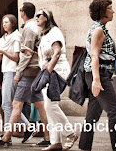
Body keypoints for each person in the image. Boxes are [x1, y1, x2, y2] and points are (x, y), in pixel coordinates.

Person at [0, 2, 50, 147]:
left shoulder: (28, 29)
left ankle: (6, 137)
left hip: (28, 71)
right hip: (33, 71)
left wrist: (18, 73)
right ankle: (49, 136)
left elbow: (24, 55)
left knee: (15, 104)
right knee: (40, 105)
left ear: (22, 12)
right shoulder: (32, 28)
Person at [79, 0, 116, 151]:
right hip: (99, 74)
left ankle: (84, 147)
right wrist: (97, 81)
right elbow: (94, 56)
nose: (113, 11)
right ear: (102, 11)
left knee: (93, 113)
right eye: (110, 8)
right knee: (114, 110)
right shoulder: (98, 30)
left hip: (97, 74)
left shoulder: (100, 28)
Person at [34, 9, 77, 151]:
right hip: (50, 71)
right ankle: (55, 142)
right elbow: (46, 56)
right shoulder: (45, 35)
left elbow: (57, 52)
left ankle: (70, 133)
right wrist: (32, 54)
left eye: (39, 15)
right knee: (50, 105)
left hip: (57, 72)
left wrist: (48, 71)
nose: (37, 17)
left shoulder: (55, 32)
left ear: (47, 17)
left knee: (50, 105)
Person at [0, 14, 31, 135]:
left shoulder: (16, 37)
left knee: (6, 104)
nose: (4, 24)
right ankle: (28, 127)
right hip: (5, 71)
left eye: (7, 22)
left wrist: (3, 51)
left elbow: (16, 58)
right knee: (10, 104)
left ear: (13, 24)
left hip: (12, 71)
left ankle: (7, 135)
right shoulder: (3, 38)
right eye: (3, 22)